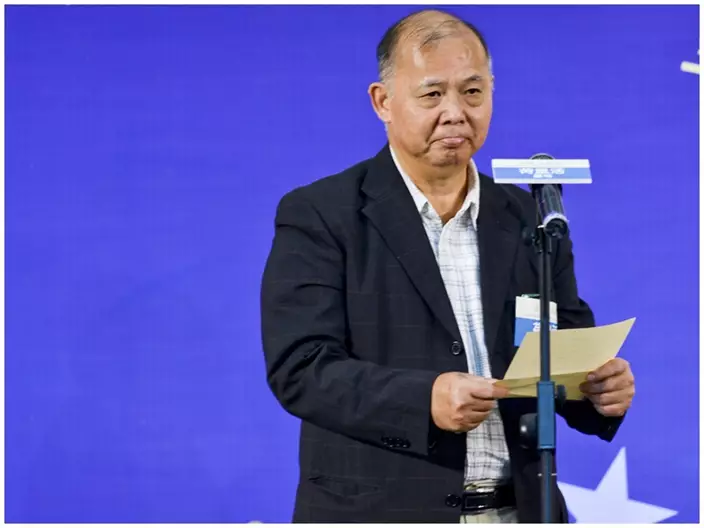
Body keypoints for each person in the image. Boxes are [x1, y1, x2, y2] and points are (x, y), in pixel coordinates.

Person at [260, 9, 635, 523]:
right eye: (433, 94)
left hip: (520, 511)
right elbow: (301, 368)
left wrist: (597, 392)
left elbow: (561, 351)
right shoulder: (322, 213)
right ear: (383, 101)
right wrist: (424, 399)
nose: (456, 112)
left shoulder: (528, 217)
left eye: (473, 92)